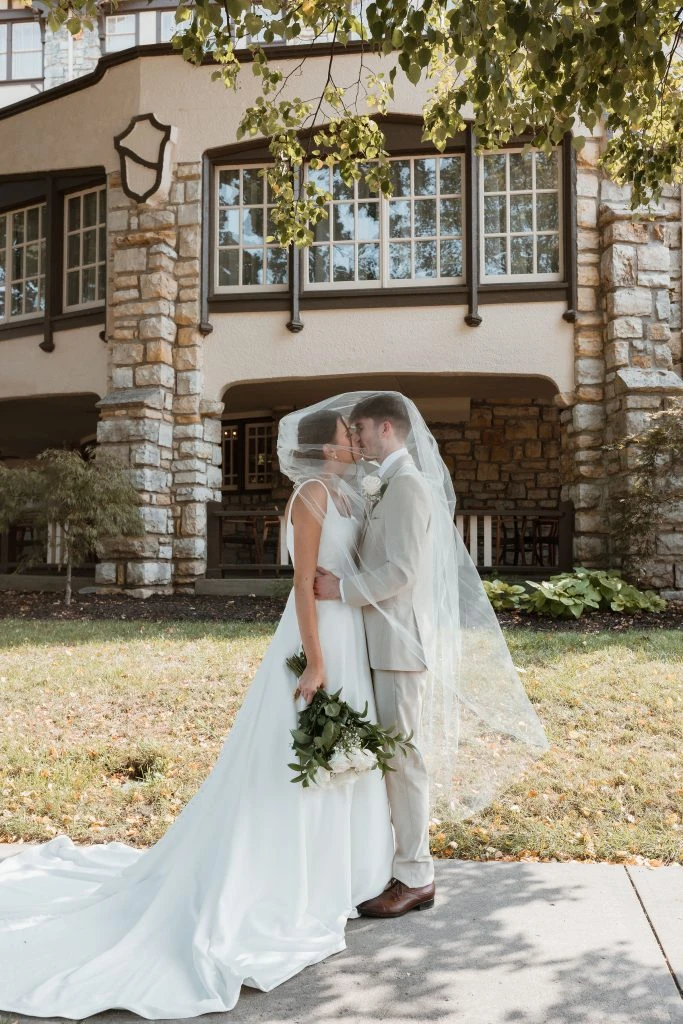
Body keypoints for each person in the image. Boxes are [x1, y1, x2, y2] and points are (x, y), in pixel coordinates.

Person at [0, 405, 394, 1020]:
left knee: (343, 754)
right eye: (350, 434)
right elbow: (301, 584)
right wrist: (316, 661)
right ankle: (281, 878)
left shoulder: (350, 495)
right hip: (317, 638)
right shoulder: (312, 496)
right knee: (298, 755)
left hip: (351, 635)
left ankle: (338, 873)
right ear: (327, 446)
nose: (358, 442)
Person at [314, 393, 436, 917]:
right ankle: (388, 863)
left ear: (386, 428)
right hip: (373, 642)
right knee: (385, 759)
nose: (357, 438)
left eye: (361, 428)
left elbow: (402, 571)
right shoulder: (383, 483)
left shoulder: (407, 485)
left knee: (402, 760)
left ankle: (416, 877)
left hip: (397, 646)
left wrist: (342, 590)